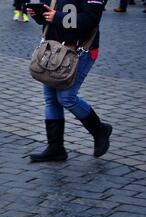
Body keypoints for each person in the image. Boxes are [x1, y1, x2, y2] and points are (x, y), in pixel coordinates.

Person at [28, 0, 112, 162]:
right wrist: (39, 15)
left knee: (66, 97)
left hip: (80, 51)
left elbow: (90, 19)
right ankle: (56, 148)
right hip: (55, 50)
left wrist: (57, 17)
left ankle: (100, 130)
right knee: (51, 99)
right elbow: (49, 14)